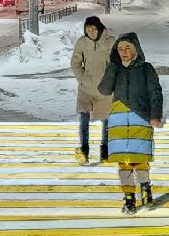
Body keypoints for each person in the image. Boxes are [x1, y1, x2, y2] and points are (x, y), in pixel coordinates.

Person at [97, 32, 163, 214]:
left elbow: (155, 92)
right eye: (120, 49)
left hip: (139, 118)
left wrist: (155, 115)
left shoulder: (146, 69)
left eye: (127, 48)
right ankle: (129, 198)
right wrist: (111, 68)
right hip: (118, 120)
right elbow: (103, 89)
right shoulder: (115, 69)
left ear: (135, 50)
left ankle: (145, 187)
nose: (124, 52)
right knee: (124, 162)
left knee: (139, 159)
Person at [68, 15, 116, 165]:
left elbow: (116, 64)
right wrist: (82, 78)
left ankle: (105, 152)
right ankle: (84, 151)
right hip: (86, 89)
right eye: (88, 30)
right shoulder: (82, 43)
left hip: (105, 89)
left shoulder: (110, 42)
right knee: (83, 119)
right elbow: (75, 62)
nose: (91, 32)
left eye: (94, 29)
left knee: (107, 121)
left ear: (99, 28)